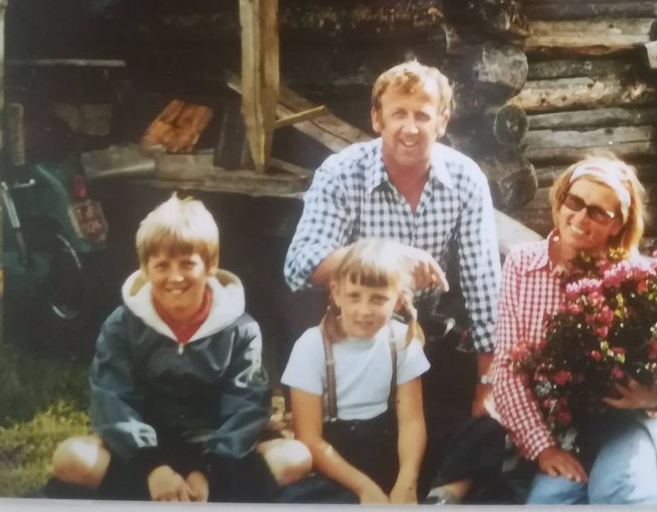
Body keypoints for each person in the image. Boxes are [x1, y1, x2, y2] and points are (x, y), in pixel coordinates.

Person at [282, 60, 504, 494]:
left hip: (423, 337)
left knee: (486, 424)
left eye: (422, 115)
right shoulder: (342, 172)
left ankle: (444, 493)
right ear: (376, 118)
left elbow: (484, 286)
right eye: (398, 113)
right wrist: (389, 255)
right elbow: (299, 265)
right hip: (355, 332)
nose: (410, 128)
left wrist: (486, 384)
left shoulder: (465, 178)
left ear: (442, 121)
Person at [492, 155, 657, 505]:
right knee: (546, 504)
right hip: (562, 435)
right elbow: (507, 371)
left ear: (617, 224)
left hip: (627, 425)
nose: (581, 218)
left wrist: (654, 398)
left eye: (598, 213)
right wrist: (544, 448)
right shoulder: (523, 265)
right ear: (561, 198)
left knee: (615, 492)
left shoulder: (636, 278)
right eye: (575, 201)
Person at [47, 195, 311, 502]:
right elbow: (112, 398)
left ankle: (185, 494)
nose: (175, 277)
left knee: (295, 457)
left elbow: (247, 407)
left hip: (216, 453)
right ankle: (177, 493)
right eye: (162, 265)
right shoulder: (121, 324)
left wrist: (208, 470)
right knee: (71, 456)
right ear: (145, 269)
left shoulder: (241, 328)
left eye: (187, 264)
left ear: (210, 266)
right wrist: (152, 466)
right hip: (146, 450)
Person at [282, 238, 428, 504]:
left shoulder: (401, 340)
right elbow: (309, 438)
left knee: (479, 432)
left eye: (378, 299)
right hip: (335, 463)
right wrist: (363, 488)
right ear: (336, 293)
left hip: (387, 448)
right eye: (354, 296)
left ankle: (442, 497)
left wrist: (407, 480)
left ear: (397, 300)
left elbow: (411, 421)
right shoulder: (312, 346)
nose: (364, 310)